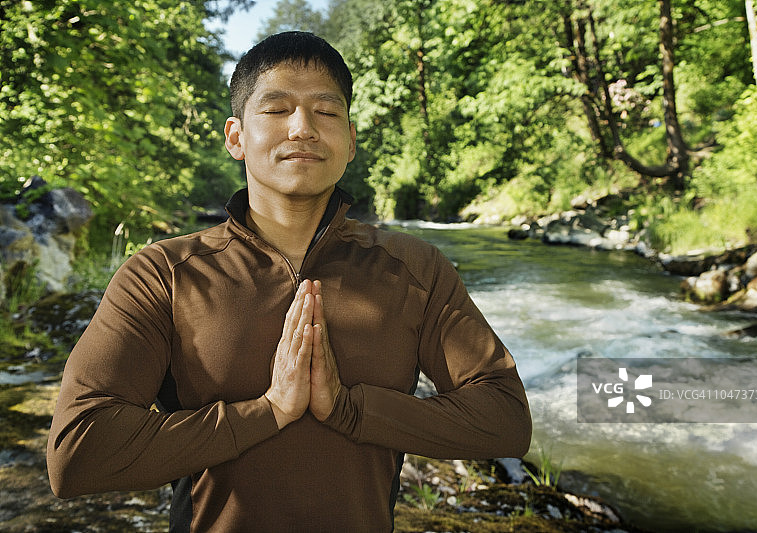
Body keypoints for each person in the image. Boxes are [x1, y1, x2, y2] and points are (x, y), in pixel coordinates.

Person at [47, 31, 532, 532]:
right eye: (276, 110)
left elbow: (505, 420)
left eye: (326, 111)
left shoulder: (415, 268)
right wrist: (267, 412)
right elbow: (77, 453)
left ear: (350, 140)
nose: (302, 128)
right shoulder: (164, 275)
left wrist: (351, 410)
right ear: (236, 137)